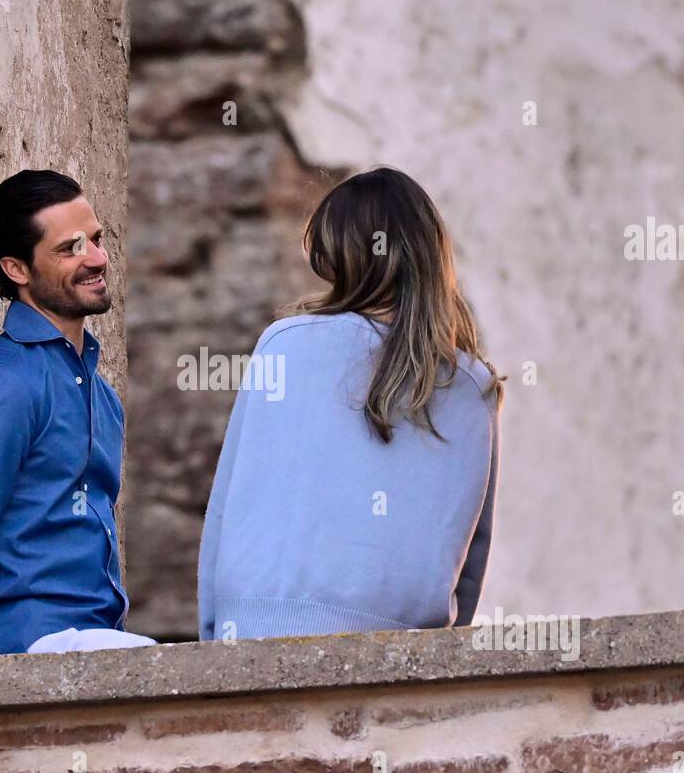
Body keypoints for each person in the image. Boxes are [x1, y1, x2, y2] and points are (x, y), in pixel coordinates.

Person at [198, 167, 502, 642]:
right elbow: (471, 554)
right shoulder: (472, 385)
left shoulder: (285, 344)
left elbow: (228, 504)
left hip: (257, 630)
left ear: (338, 256)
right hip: (407, 646)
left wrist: (214, 632)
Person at [0, 170, 154, 656]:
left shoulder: (102, 394)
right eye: (70, 249)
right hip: (28, 647)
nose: (97, 259)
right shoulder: (2, 385)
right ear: (18, 269)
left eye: (96, 240)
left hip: (97, 640)